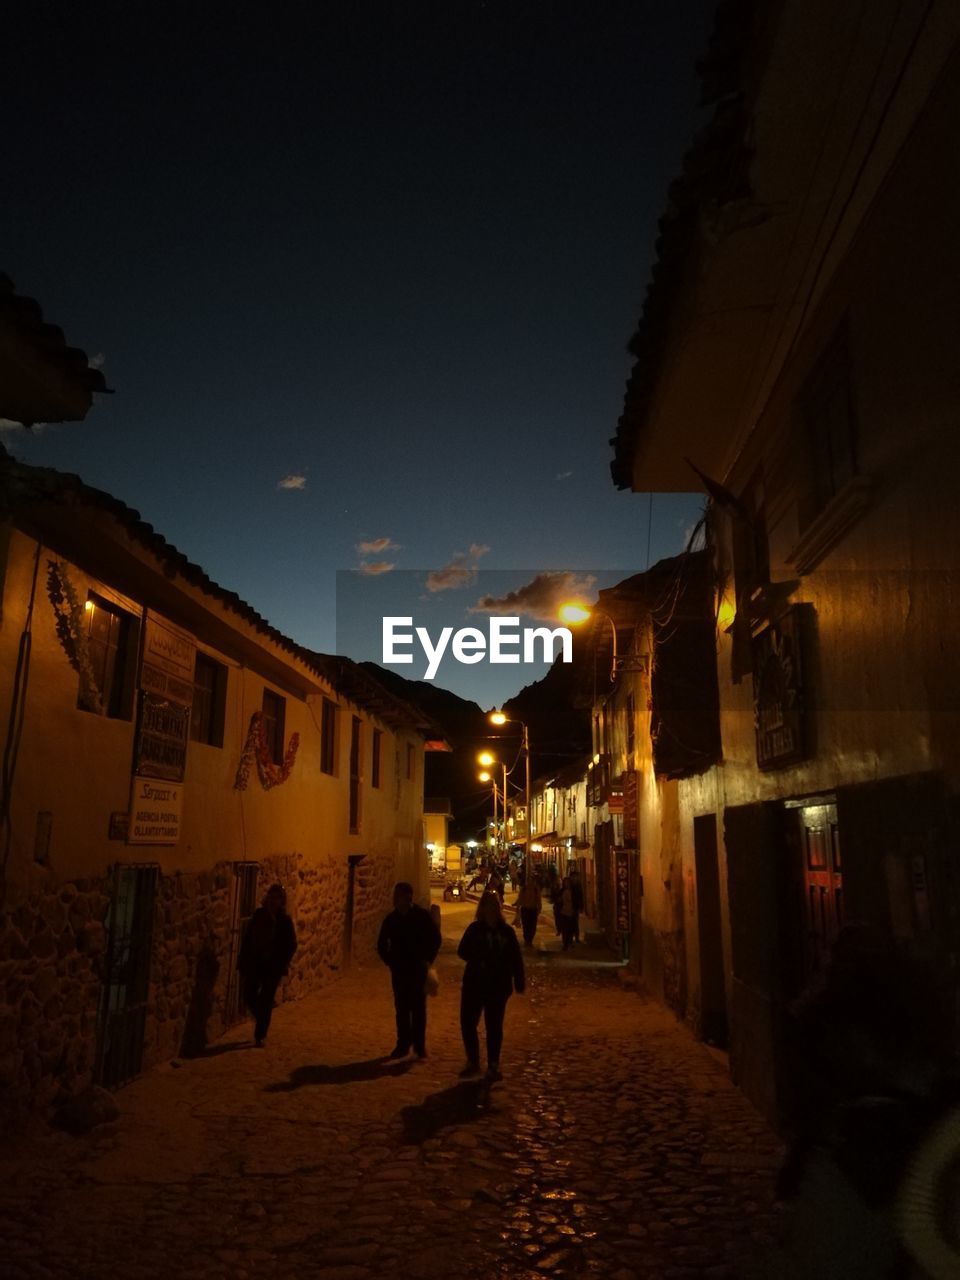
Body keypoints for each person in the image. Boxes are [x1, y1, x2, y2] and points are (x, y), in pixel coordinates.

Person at [457, 891, 525, 1081]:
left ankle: (493, 1064)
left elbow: (515, 958)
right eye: (488, 906)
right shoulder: (474, 930)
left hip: (498, 986)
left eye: (494, 906)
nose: (491, 910)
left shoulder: (506, 932)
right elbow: (462, 951)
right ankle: (473, 1060)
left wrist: (519, 980)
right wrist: (479, 957)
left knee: (494, 1026)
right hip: (475, 984)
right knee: (468, 1023)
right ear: (483, 909)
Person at [376, 881, 441, 1060]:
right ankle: (403, 1044)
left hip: (417, 969)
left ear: (407, 897)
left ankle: (419, 1045)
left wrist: (427, 959)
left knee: (418, 1008)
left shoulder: (421, 917)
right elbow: (381, 944)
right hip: (399, 971)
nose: (394, 899)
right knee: (402, 1008)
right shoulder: (391, 920)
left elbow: (435, 938)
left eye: (398, 895)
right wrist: (390, 961)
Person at [237, 883, 297, 1047]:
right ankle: (261, 1018)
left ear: (281, 901)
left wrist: (281, 962)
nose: (273, 900)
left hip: (273, 966)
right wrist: (243, 959)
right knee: (249, 994)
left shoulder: (284, 921)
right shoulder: (259, 915)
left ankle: (260, 1035)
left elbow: (291, 944)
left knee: (266, 998)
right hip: (256, 962)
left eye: (277, 897)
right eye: (272, 896)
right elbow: (249, 938)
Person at [516, 873, 542, 947]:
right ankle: (527, 940)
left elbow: (538, 900)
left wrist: (539, 908)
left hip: (533, 910)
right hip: (525, 910)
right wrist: (518, 908)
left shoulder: (536, 889)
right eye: (528, 881)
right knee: (526, 925)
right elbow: (520, 899)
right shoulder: (523, 889)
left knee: (533, 926)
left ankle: (530, 939)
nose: (530, 882)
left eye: (531, 881)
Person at [558, 876, 577, 951]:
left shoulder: (573, 892)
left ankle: (570, 943)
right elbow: (559, 901)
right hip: (564, 912)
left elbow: (576, 901)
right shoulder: (562, 891)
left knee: (571, 929)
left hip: (571, 912)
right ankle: (565, 944)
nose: (567, 884)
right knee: (565, 929)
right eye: (565, 883)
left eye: (568, 883)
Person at [569, 869, 585, 943]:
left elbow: (581, 896)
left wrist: (581, 907)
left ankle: (576, 938)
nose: (574, 878)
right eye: (573, 876)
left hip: (575, 907)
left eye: (575, 876)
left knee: (575, 922)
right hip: (569, 907)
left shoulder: (578, 886)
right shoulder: (569, 886)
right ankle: (571, 937)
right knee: (570, 922)